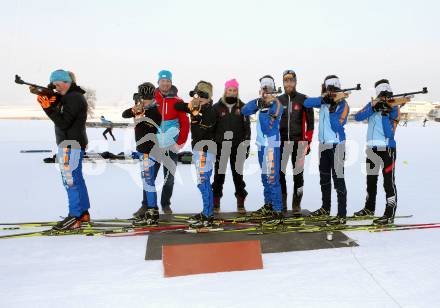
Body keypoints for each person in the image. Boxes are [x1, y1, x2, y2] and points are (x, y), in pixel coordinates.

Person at [31, 69, 90, 230]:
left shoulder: (73, 98)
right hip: (72, 144)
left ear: (67, 82)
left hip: (70, 145)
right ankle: (83, 214)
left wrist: (47, 107)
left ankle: (75, 217)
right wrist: (46, 95)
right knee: (76, 180)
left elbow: (63, 122)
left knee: (70, 181)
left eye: (58, 84)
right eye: (54, 85)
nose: (56, 88)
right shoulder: (70, 96)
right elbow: (59, 103)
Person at [132, 70, 189, 218]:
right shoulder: (150, 98)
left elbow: (184, 122)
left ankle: (166, 204)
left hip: (171, 145)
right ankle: (146, 205)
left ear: (171, 82)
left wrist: (180, 142)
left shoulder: (178, 101)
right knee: (149, 176)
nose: (165, 83)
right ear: (158, 82)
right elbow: (138, 115)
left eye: (168, 81)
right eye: (163, 80)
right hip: (153, 145)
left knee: (169, 177)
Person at [353, 79, 405, 224]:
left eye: (385, 95)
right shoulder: (373, 104)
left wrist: (383, 113)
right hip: (371, 148)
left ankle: (389, 214)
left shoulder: (394, 108)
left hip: (387, 148)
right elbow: (358, 117)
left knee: (388, 182)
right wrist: (373, 107)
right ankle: (369, 208)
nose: (383, 98)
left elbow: (390, 133)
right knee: (371, 181)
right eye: (381, 95)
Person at [304, 75, 350, 225]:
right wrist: (324, 100)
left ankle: (341, 215)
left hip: (337, 145)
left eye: (333, 88)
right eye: (328, 88)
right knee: (324, 178)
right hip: (323, 145)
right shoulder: (324, 101)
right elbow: (306, 102)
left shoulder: (343, 105)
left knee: (338, 180)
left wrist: (332, 110)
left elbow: (337, 126)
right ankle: (325, 208)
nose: (330, 91)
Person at [241, 75, 284, 226]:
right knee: (265, 178)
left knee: (273, 179)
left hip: (271, 145)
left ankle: (278, 212)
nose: (266, 91)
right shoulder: (260, 102)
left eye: (269, 88)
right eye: (263, 89)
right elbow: (244, 111)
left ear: (274, 89)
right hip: (261, 146)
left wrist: (265, 108)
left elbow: (268, 128)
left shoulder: (277, 106)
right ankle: (269, 206)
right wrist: (258, 103)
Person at [175, 81, 217, 228]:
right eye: (198, 94)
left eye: (203, 96)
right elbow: (176, 106)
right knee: (203, 182)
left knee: (203, 182)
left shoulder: (210, 110)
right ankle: (208, 212)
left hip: (205, 150)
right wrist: (190, 104)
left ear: (209, 97)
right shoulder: (196, 106)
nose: (200, 99)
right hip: (199, 150)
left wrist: (195, 113)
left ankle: (208, 215)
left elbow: (203, 129)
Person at [122, 83, 162, 225]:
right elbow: (124, 114)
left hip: (150, 150)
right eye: (144, 98)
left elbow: (150, 126)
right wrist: (135, 109)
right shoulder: (140, 107)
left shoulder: (155, 112)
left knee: (148, 181)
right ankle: (151, 210)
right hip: (142, 150)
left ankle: (152, 211)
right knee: (146, 181)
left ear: (153, 97)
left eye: (149, 98)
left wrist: (141, 114)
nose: (146, 101)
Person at [278, 69, 314, 216]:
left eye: (291, 80)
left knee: (298, 175)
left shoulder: (304, 99)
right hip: (281, 144)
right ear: (283, 82)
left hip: (299, 143)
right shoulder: (278, 100)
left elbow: (310, 124)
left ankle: (296, 204)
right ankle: (282, 203)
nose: (288, 83)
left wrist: (308, 142)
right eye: (286, 80)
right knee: (280, 174)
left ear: (295, 82)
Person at [212, 79, 251, 214]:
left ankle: (240, 203)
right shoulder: (217, 107)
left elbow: (247, 129)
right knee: (219, 176)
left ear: (237, 92)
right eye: (230, 90)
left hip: (238, 147)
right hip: (220, 147)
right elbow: (212, 128)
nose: (232, 92)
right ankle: (215, 203)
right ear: (225, 90)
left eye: (234, 90)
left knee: (238, 176)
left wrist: (246, 146)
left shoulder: (243, 107)